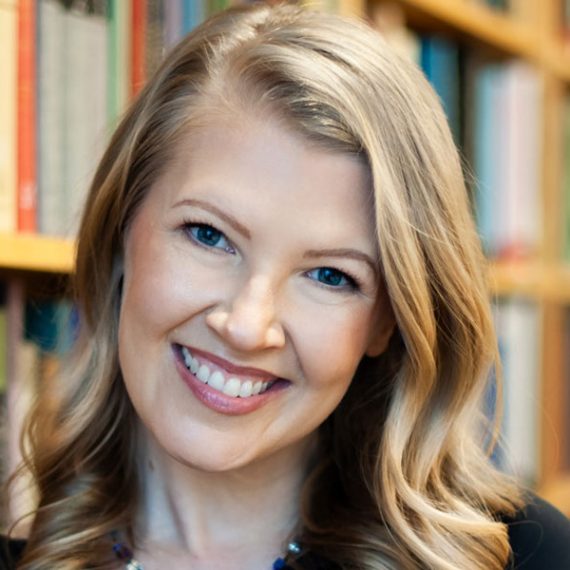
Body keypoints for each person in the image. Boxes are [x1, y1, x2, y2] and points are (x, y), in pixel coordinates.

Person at [2, 3, 570, 569]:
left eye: (330, 276)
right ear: (123, 228)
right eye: (208, 234)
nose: (248, 326)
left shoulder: (526, 557)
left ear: (387, 321)